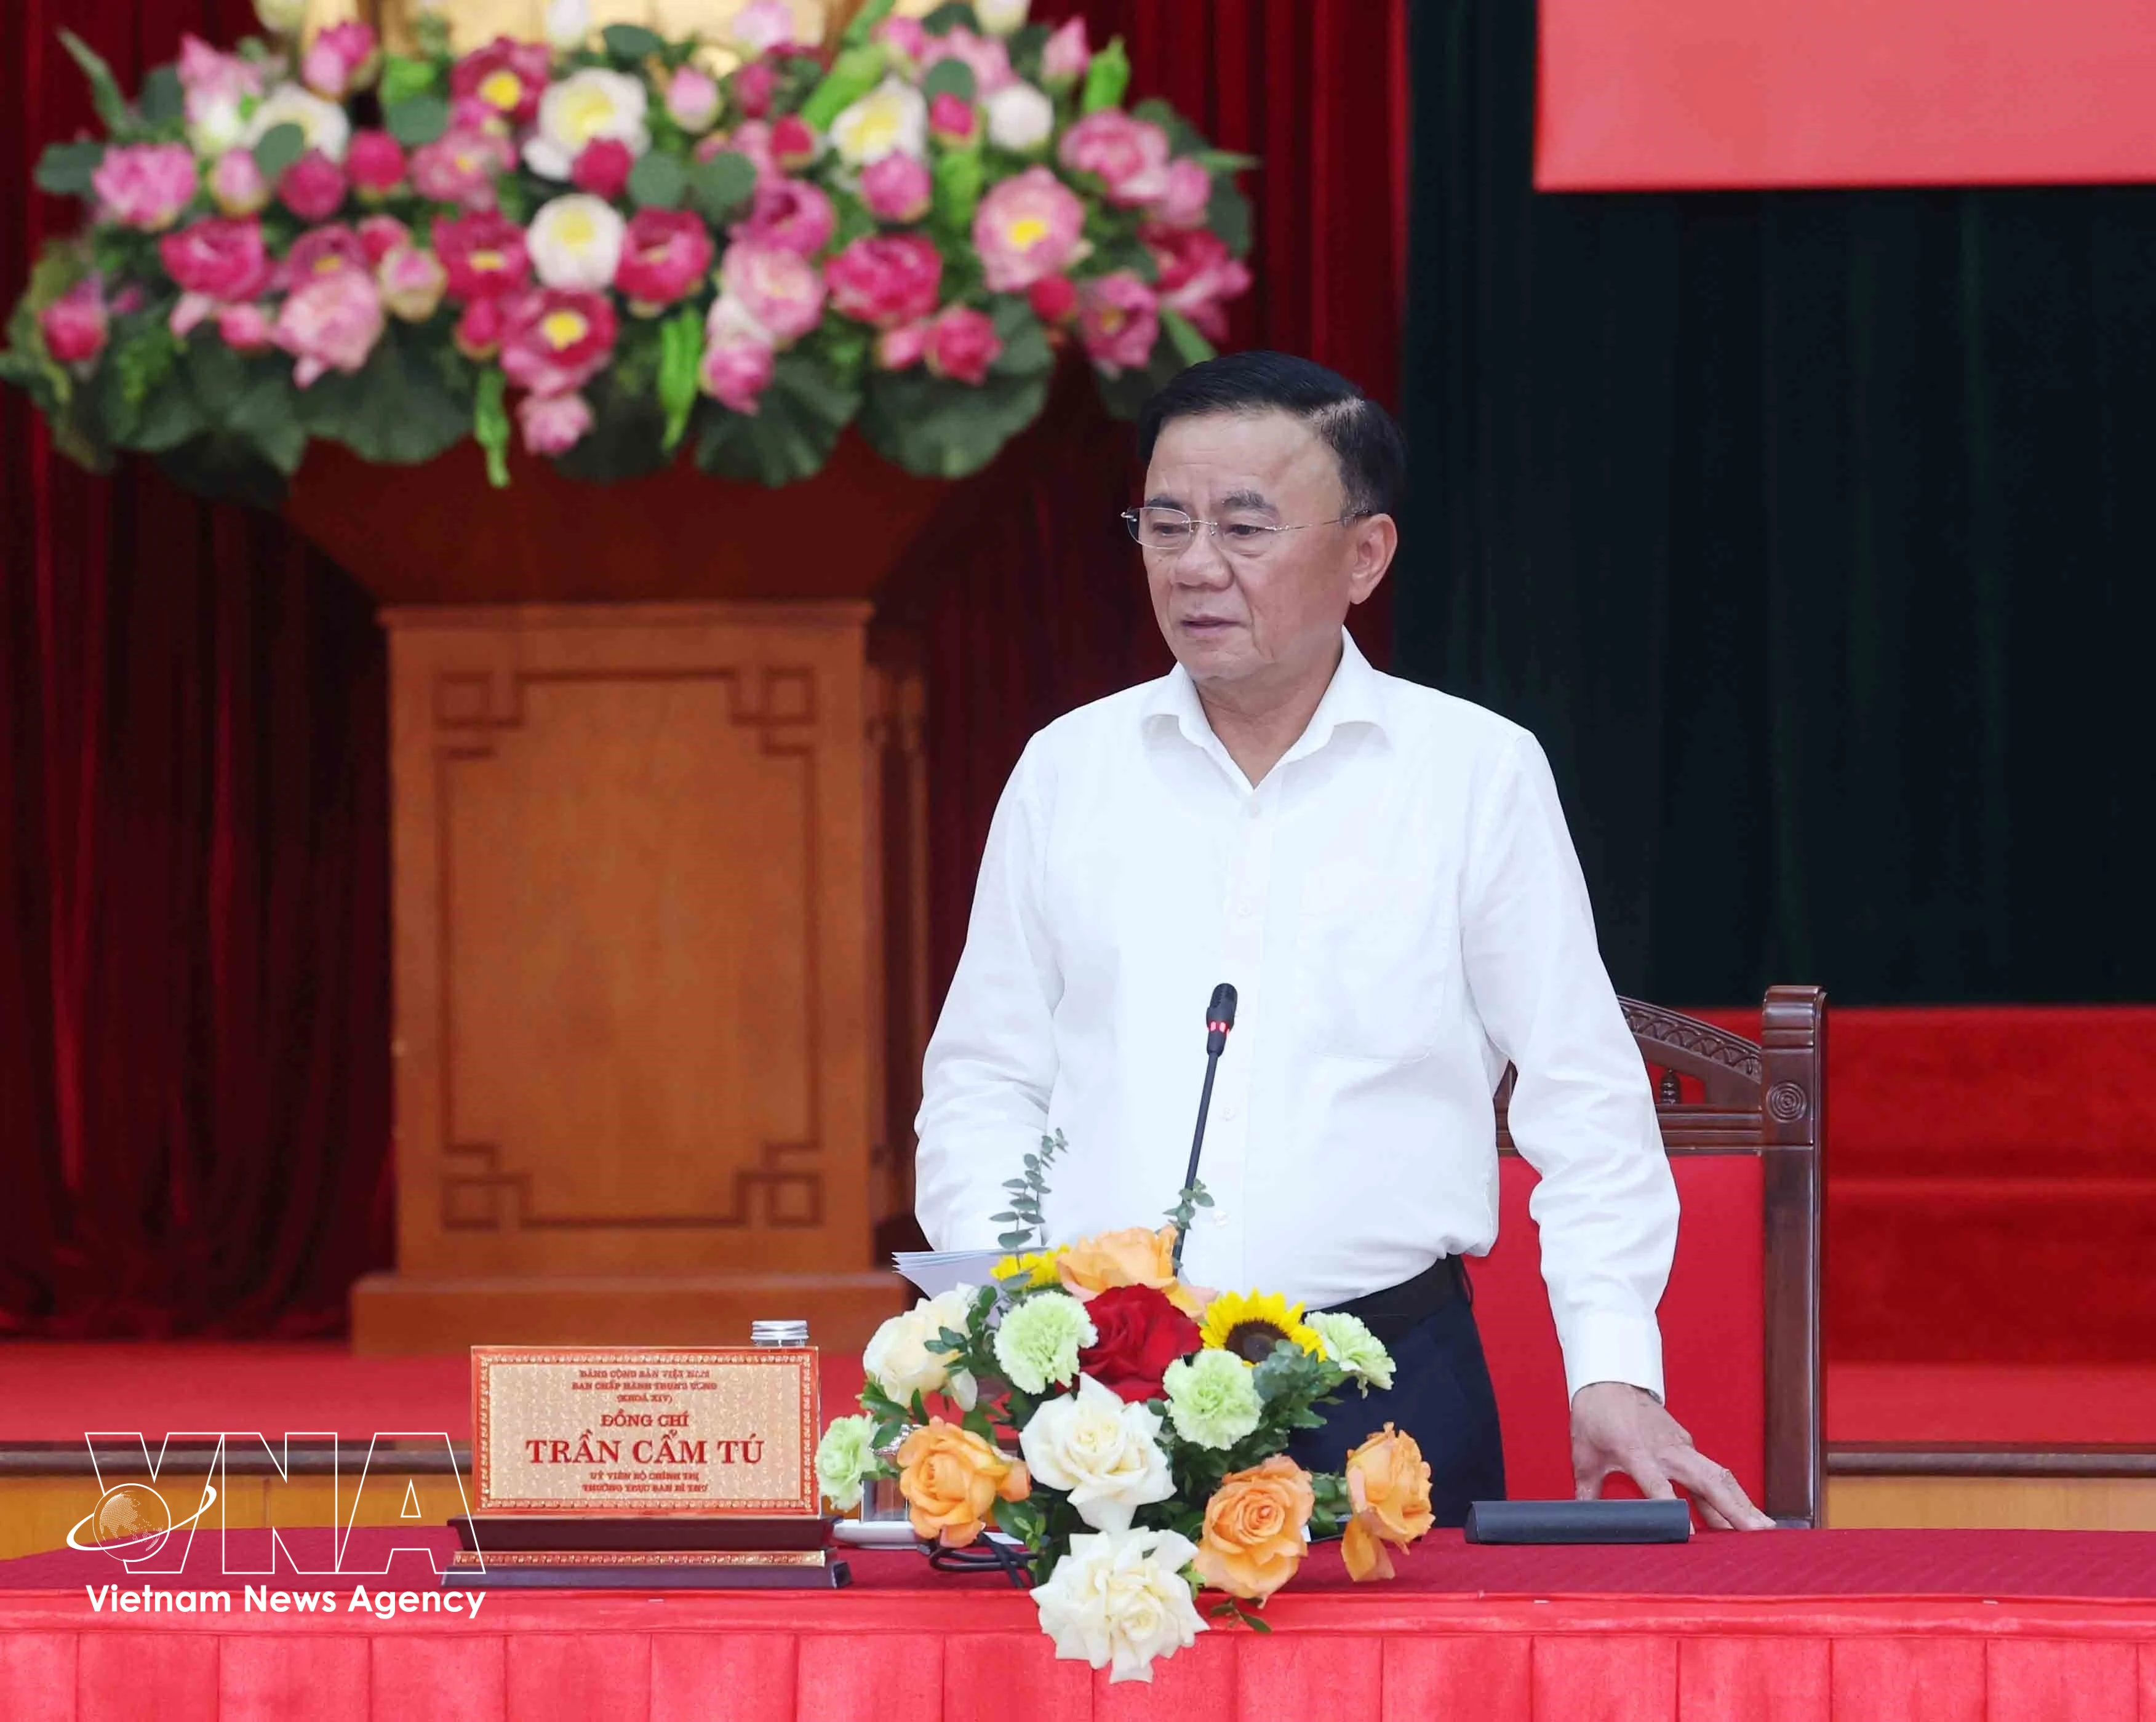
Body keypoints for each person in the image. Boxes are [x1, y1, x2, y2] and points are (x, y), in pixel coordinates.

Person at [913, 351, 1771, 1532]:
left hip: (1384, 1388)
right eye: (1166, 524)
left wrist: (1613, 1366)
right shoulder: (1070, 770)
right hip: (1103, 1398)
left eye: (1245, 527)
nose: (1197, 566)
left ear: (1365, 555)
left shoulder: (1474, 773)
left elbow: (1584, 1095)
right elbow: (985, 1081)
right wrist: (1014, 1314)